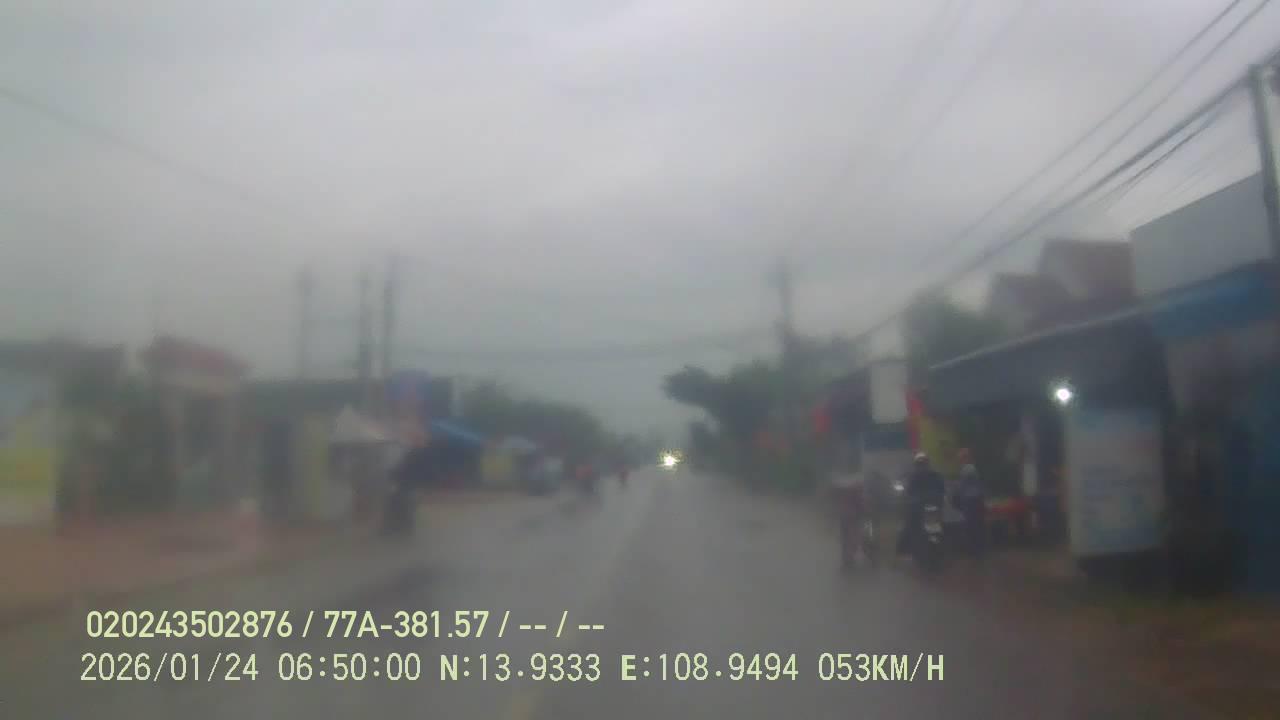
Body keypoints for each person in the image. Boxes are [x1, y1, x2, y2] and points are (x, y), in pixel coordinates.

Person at [897, 452, 945, 555]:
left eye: (922, 464)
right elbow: (942, 490)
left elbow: (908, 491)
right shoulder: (934, 475)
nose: (921, 466)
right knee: (914, 526)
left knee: (910, 526)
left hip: (922, 508)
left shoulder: (915, 476)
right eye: (920, 464)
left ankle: (904, 549)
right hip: (928, 507)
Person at [954, 448, 987, 559]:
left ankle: (974, 550)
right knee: (977, 525)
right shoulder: (971, 468)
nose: (959, 461)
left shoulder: (967, 469)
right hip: (975, 499)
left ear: (965, 458)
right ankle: (978, 550)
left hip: (970, 500)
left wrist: (956, 493)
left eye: (960, 458)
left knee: (971, 525)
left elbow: (962, 486)